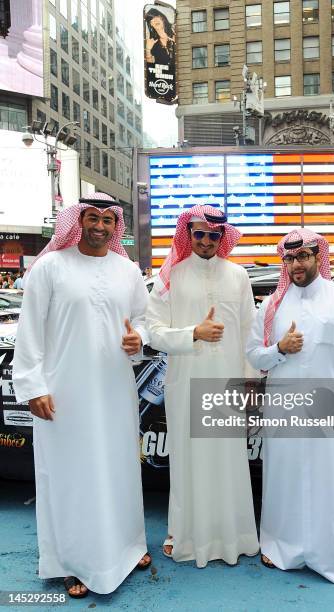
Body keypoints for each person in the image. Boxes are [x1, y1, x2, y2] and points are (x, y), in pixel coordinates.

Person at [12, 193, 151, 599]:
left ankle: (128, 548)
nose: (100, 227)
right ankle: (75, 562)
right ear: (78, 220)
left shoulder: (127, 271)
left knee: (119, 470)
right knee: (74, 478)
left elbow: (142, 320)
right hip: (65, 393)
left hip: (114, 390)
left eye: (108, 221)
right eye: (92, 218)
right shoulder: (51, 267)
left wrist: (137, 338)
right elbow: (30, 331)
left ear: (116, 226)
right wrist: (34, 386)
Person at [246, 228, 334, 584]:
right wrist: (279, 350)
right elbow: (252, 354)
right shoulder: (272, 306)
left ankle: (333, 554)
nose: (296, 264)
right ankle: (282, 547)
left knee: (333, 483)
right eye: (289, 258)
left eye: (303, 255)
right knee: (285, 481)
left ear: (318, 257)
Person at [145, 204, 259, 568]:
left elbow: (249, 332)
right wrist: (194, 332)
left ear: (223, 237)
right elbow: (154, 332)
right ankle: (186, 536)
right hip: (186, 382)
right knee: (189, 462)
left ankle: (234, 537)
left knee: (228, 461)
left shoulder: (238, 276)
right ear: (188, 235)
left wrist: (250, 381)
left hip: (228, 383)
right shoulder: (172, 276)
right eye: (199, 234)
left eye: (214, 235)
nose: (207, 240)